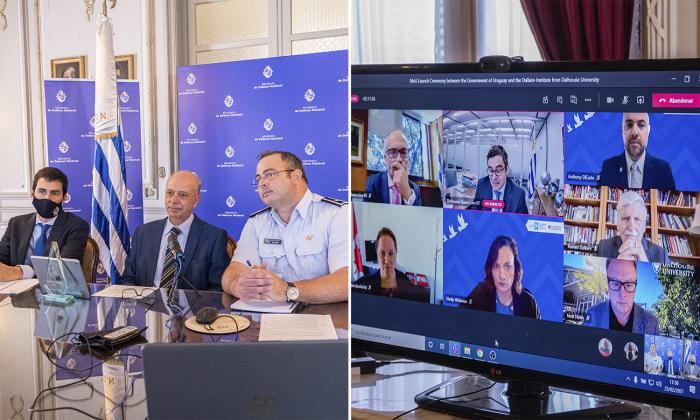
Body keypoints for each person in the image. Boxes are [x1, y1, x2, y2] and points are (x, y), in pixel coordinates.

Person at [222, 151, 347, 304]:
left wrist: (288, 291)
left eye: (269, 174)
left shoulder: (335, 214)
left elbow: (345, 281)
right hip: (267, 319)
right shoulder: (257, 222)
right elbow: (233, 272)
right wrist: (239, 287)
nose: (262, 183)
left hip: (322, 318)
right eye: (258, 178)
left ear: (296, 177)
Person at [119, 171, 229, 290]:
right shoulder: (143, 233)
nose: (174, 200)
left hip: (191, 308)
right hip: (146, 305)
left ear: (196, 200)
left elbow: (218, 289)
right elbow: (128, 279)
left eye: (183, 195)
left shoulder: (214, 237)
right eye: (170, 193)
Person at [0, 167, 89, 281]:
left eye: (55, 193)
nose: (47, 198)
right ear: (33, 192)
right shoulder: (16, 223)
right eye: (42, 191)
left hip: (54, 293)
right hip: (15, 292)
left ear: (64, 197)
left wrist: (21, 272)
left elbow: (62, 269)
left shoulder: (77, 226)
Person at [460, 236, 540, 318]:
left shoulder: (529, 303)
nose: (502, 276)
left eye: (507, 266)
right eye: (496, 266)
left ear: (516, 268)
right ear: (490, 269)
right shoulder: (479, 295)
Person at [597, 112, 675, 190]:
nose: (634, 133)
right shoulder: (607, 168)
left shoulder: (663, 170)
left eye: (641, 125)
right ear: (622, 129)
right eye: (629, 125)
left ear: (648, 130)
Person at [353, 227, 429, 303]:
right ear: (377, 254)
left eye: (391, 253)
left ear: (396, 253)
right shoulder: (363, 284)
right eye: (382, 254)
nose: (387, 260)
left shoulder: (405, 281)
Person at [585, 259, 659, 334]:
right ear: (607, 284)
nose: (622, 294)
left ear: (635, 286)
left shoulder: (652, 324)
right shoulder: (592, 315)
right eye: (615, 283)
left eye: (629, 284)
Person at [597, 190, 669, 263]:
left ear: (644, 227)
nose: (631, 227)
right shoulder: (603, 248)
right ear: (617, 225)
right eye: (625, 218)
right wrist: (615, 266)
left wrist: (646, 266)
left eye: (637, 219)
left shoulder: (661, 255)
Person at [364, 129, 422, 206]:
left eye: (404, 152)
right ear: (385, 158)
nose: (399, 159)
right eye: (393, 152)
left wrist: (407, 193)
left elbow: (418, 217)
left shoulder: (415, 189)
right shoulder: (372, 183)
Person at [471, 145, 528, 214]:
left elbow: (522, 222)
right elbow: (474, 211)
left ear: (507, 170)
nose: (494, 177)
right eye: (491, 171)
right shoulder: (481, 184)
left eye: (498, 171)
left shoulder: (519, 194)